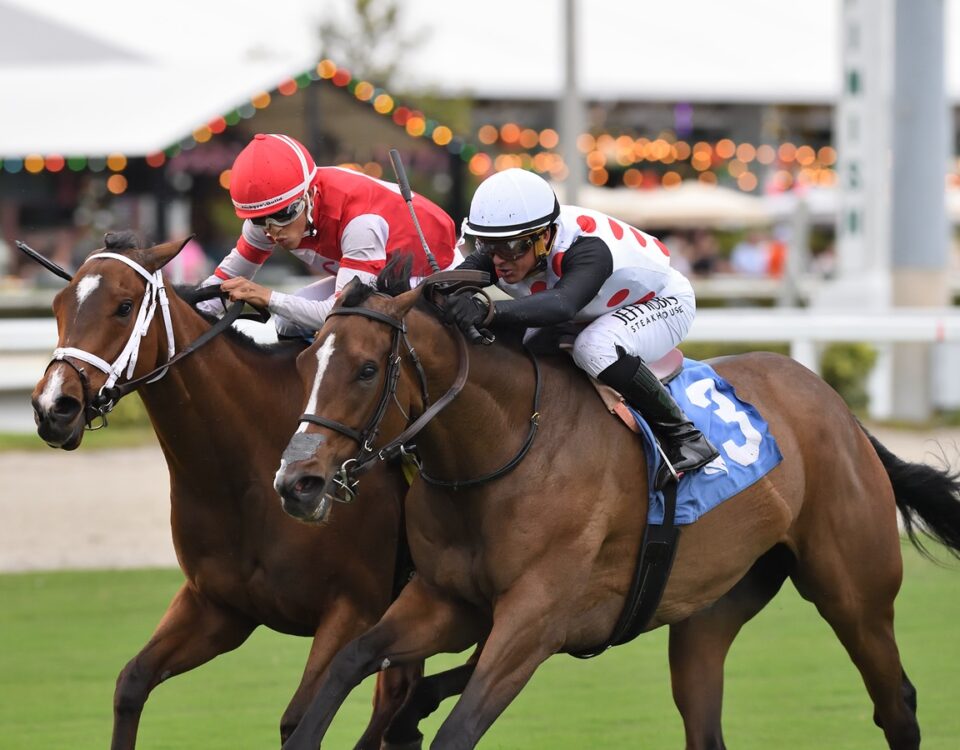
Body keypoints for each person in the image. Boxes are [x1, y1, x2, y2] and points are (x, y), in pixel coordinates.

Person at [447, 168, 719, 477]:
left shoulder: (587, 248)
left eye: (510, 247)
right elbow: (453, 281)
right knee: (521, 349)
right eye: (487, 244)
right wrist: (438, 294)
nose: (497, 259)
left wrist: (486, 310)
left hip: (661, 301)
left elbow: (563, 304)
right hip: (595, 310)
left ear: (544, 236)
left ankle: (685, 437)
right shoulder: (519, 241)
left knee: (593, 347)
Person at [199, 133, 461, 335]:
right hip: (378, 273)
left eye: (284, 214)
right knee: (288, 323)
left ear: (310, 195)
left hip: (431, 275)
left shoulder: (361, 222)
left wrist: (267, 297)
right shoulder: (269, 218)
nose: (273, 229)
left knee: (346, 329)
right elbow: (219, 286)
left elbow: (344, 312)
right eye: (259, 220)